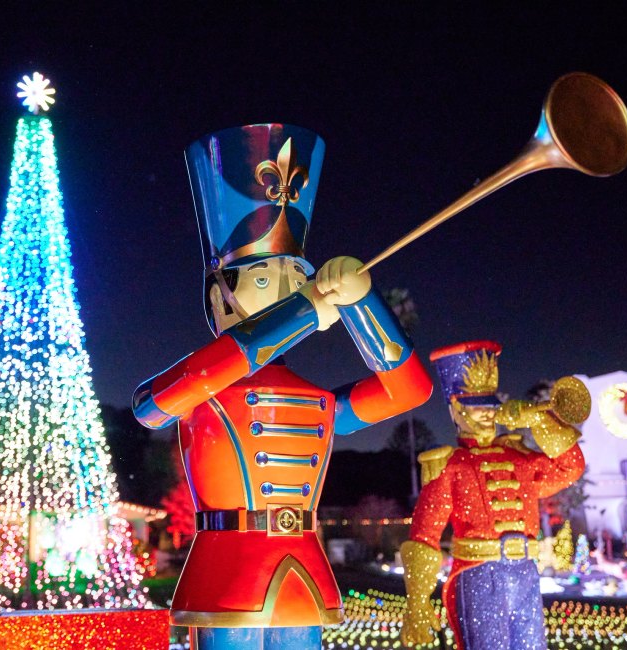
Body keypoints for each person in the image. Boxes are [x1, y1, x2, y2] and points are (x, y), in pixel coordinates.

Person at [132, 124, 433, 650]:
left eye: (297, 281)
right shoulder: (201, 388)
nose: (290, 293)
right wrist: (302, 312)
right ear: (220, 298)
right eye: (265, 280)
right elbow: (150, 407)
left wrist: (363, 304)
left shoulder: (318, 401)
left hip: (302, 568)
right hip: (226, 572)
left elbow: (408, 392)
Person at [400, 341, 587, 649]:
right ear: (455, 410)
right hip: (479, 575)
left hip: (526, 571)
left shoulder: (520, 459)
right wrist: (417, 601)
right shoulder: (450, 466)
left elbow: (570, 467)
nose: (486, 414)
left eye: (489, 406)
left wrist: (539, 420)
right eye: (476, 406)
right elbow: (424, 534)